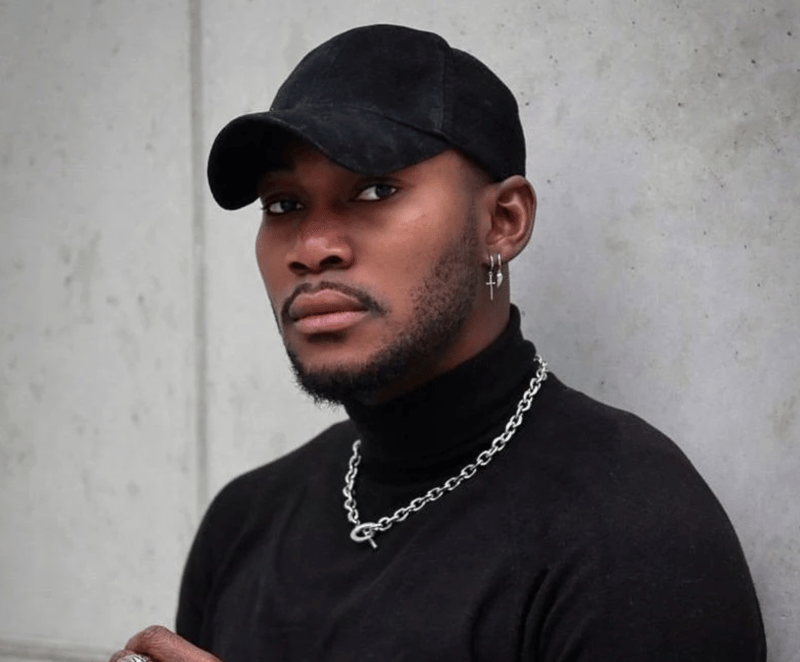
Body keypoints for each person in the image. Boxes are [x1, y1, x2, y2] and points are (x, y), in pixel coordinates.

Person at [111, 24, 766, 662]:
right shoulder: (244, 522)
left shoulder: (631, 526)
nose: (313, 248)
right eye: (283, 204)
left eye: (375, 189)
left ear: (503, 222)